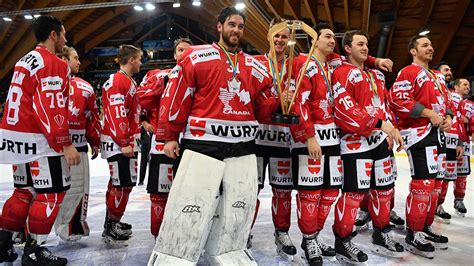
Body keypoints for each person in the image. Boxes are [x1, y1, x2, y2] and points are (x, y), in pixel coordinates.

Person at [148, 6, 275, 265]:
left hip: (243, 146)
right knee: (190, 206)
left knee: (237, 208)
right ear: (219, 26)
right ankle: (174, 258)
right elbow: (176, 98)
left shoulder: (255, 66)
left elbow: (261, 109)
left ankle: (229, 252)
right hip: (203, 144)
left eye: (240, 26)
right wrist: (170, 136)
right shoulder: (196, 56)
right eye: (231, 24)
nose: (236, 30)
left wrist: (276, 100)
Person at [0, 15, 80, 265]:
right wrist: (65, 142)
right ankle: (34, 250)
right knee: (51, 194)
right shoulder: (53, 63)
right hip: (40, 140)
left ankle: (2, 245)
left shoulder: (24, 59)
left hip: (15, 138)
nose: (66, 39)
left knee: (23, 192)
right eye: (64, 34)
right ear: (53, 35)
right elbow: (50, 106)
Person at [331, 30, 404, 263]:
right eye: (360, 44)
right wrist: (382, 124)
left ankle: (381, 233)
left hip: (381, 142)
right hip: (355, 143)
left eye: (367, 44)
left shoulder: (377, 76)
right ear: (347, 48)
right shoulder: (341, 72)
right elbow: (345, 110)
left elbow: (384, 104)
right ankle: (343, 241)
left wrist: (390, 128)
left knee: (383, 192)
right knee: (353, 195)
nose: (365, 48)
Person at [389, 35, 452, 258]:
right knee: (423, 184)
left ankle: (424, 228)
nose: (430, 47)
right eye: (424, 45)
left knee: (435, 185)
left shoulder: (437, 76)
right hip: (419, 135)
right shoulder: (408, 71)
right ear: (413, 51)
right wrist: (428, 113)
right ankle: (413, 232)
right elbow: (397, 100)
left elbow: (448, 102)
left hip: (438, 134)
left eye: (431, 45)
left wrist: (449, 117)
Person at [136, 37, 192, 237]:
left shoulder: (201, 76)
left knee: (189, 195)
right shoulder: (158, 74)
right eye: (180, 50)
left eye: (187, 50)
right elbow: (140, 97)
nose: (183, 53)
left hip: (192, 143)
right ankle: (159, 236)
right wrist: (162, 84)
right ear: (174, 54)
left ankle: (184, 234)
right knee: (160, 194)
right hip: (162, 145)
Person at [252, 17, 297, 260]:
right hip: (257, 139)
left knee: (283, 191)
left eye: (284, 36)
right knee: (251, 191)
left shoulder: (295, 66)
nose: (280, 40)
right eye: (276, 35)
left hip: (282, 138)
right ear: (269, 36)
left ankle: (282, 233)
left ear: (289, 38)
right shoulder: (255, 63)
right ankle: (243, 233)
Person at [54, 45, 101, 242]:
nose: (79, 62)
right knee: (55, 191)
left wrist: (94, 141)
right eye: (75, 58)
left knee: (78, 189)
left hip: (74, 146)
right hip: (56, 148)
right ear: (64, 59)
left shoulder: (86, 87)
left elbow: (91, 117)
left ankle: (71, 226)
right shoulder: (52, 82)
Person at [100, 44, 142, 244]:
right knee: (121, 184)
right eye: (139, 59)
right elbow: (117, 113)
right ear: (132, 59)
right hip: (119, 143)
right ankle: (111, 225)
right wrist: (124, 141)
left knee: (123, 184)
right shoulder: (118, 81)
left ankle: (112, 222)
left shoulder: (126, 80)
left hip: (124, 142)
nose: (141, 63)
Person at [441, 78, 472, 217]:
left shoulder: (469, 103)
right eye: (465, 84)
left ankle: (459, 200)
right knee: (447, 174)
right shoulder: (451, 96)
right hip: (450, 140)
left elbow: (467, 122)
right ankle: (438, 204)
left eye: (469, 85)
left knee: (462, 173)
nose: (468, 87)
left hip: (463, 141)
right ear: (456, 87)